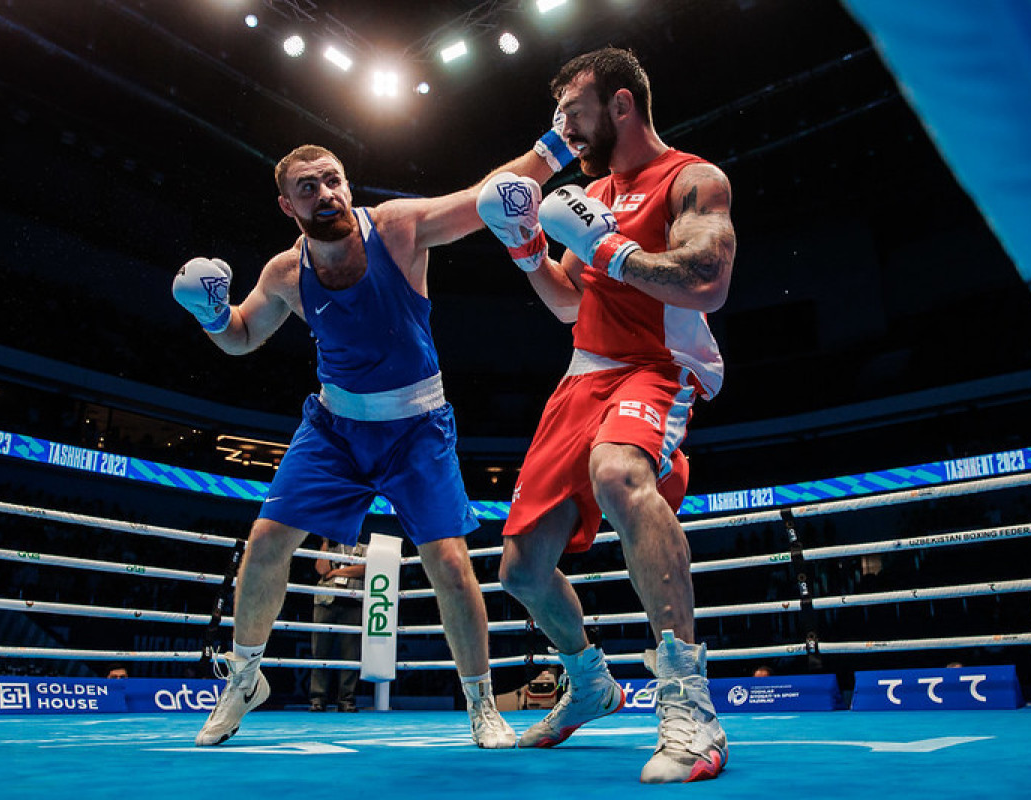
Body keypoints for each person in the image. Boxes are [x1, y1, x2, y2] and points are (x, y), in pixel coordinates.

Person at [173, 140, 555, 748]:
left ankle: (482, 703)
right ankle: (244, 678)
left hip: (416, 424)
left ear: (347, 183)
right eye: (308, 187)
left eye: (332, 180)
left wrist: (551, 149)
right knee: (268, 539)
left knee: (449, 563)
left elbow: (482, 201)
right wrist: (211, 316)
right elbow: (243, 337)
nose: (325, 194)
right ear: (286, 203)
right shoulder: (283, 273)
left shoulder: (399, 229)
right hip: (334, 428)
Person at [476, 47, 735, 783]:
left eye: (574, 112)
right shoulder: (585, 194)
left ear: (621, 104)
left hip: (656, 366)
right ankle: (590, 681)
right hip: (582, 374)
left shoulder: (691, 178)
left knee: (619, 474)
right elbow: (569, 301)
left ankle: (690, 707)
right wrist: (527, 249)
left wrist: (613, 250)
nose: (565, 129)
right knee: (522, 571)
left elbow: (707, 281)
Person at [309, 537, 366, 712]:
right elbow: (321, 569)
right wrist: (325, 542)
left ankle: (346, 699)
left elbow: (364, 569)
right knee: (320, 651)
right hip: (326, 601)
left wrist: (334, 573)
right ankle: (317, 699)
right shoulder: (329, 547)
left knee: (351, 654)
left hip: (353, 601)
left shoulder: (365, 548)